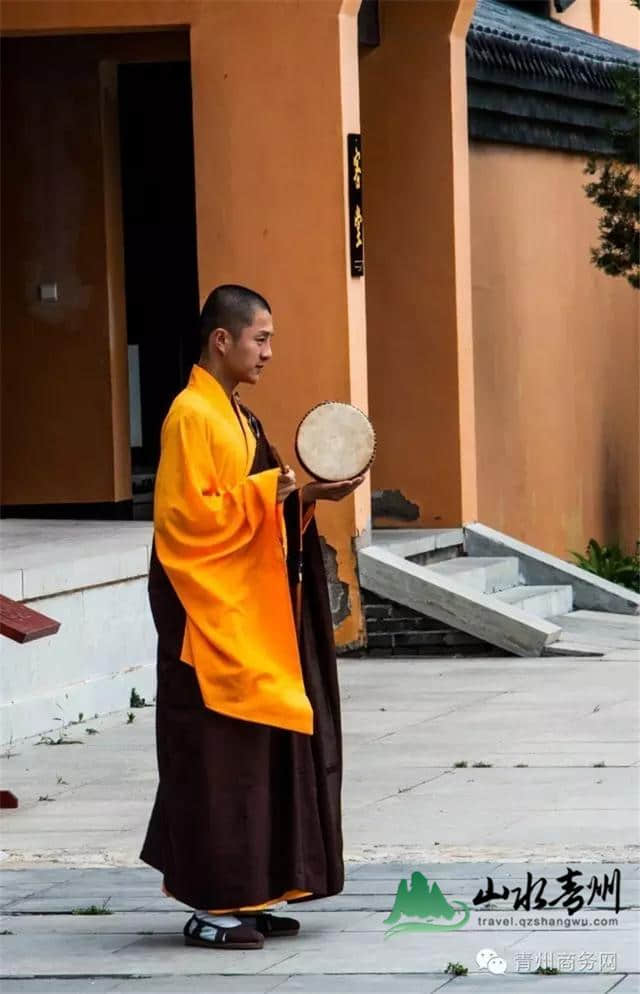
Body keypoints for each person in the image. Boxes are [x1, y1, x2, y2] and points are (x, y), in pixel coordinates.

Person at [140, 284, 365, 950]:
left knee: (261, 755)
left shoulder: (237, 416)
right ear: (222, 339)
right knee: (216, 764)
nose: (269, 351)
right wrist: (275, 491)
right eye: (260, 338)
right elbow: (188, 523)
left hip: (248, 615)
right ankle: (212, 904)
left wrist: (306, 495)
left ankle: (256, 889)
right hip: (206, 622)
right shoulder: (191, 416)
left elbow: (255, 503)